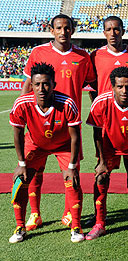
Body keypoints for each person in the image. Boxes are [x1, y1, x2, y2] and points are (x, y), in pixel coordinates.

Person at [20, 14, 96, 231]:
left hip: (69, 125)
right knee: (34, 170)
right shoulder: (38, 52)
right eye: (59, 28)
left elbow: (93, 85)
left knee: (71, 172)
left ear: (73, 30)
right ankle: (35, 214)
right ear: (51, 30)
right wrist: (24, 113)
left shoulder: (83, 57)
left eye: (67, 28)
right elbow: (27, 85)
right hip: (38, 122)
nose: (64, 32)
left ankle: (69, 212)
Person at [9, 62, 84, 243]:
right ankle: (20, 226)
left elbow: (75, 137)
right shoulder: (22, 103)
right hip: (35, 144)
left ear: (53, 85)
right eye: (37, 84)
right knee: (21, 181)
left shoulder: (67, 103)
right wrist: (21, 163)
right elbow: (18, 134)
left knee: (72, 181)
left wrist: (72, 166)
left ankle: (76, 226)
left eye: (46, 84)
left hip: (63, 144)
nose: (42, 89)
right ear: (31, 86)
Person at [85, 67, 128, 241]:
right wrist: (101, 161)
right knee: (101, 177)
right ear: (112, 87)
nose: (124, 91)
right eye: (120, 87)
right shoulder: (101, 103)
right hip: (110, 146)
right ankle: (100, 223)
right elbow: (97, 134)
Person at [87, 16, 128, 226]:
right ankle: (99, 214)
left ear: (123, 30)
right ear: (103, 32)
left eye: (117, 29)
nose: (113, 33)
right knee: (102, 169)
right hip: (107, 124)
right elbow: (92, 88)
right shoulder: (95, 56)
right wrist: (99, 111)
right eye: (109, 29)